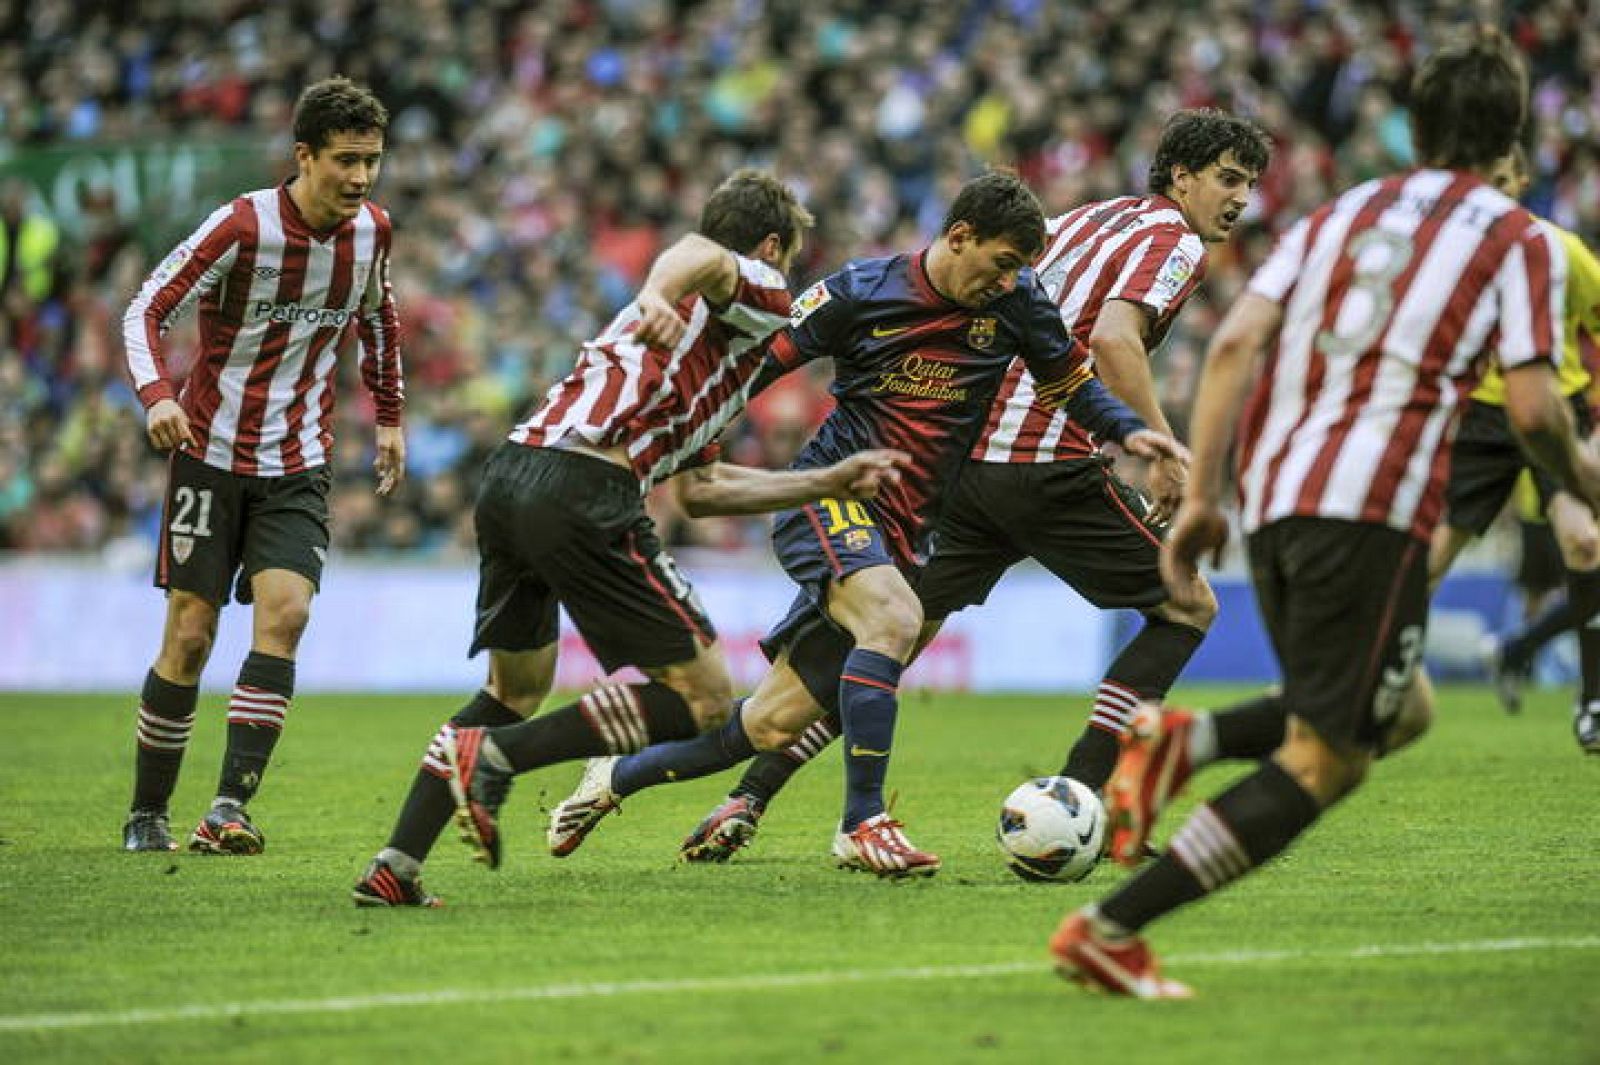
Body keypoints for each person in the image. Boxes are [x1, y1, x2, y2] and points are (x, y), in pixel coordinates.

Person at [1050, 27, 1600, 998]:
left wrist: (1207, 495)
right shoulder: (1518, 236)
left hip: (1275, 493)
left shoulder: (1340, 211)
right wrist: (1584, 483)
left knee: (1407, 706)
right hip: (1370, 508)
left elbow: (1230, 350)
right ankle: (1107, 928)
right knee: (1331, 759)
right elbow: (1530, 407)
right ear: (1510, 136)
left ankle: (1186, 742)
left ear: (1416, 126)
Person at [450, 170, 1185, 880]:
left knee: (768, 723)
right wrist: (695, 449)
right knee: (895, 620)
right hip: (830, 496)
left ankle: (612, 777)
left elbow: (1069, 383)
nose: (1007, 280)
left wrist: (1130, 432)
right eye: (1000, 263)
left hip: (905, 528)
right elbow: (755, 364)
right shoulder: (861, 291)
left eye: (1019, 268)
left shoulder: (1018, 299)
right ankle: (862, 822)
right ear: (959, 236)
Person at [668, 109, 1272, 866]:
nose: (1241, 198)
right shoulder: (1174, 240)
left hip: (965, 464)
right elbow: (1114, 337)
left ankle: (748, 796)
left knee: (889, 639)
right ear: (1179, 176)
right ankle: (1091, 799)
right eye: (1228, 178)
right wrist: (1159, 448)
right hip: (1045, 465)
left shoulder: (1082, 217)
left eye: (1249, 183)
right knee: (1187, 605)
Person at [351, 169, 908, 906]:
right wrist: (654, 291)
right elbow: (699, 255)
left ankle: (397, 863)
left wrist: (827, 480)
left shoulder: (704, 362)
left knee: (513, 687)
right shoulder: (753, 289)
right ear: (772, 245)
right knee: (707, 700)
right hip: (585, 489)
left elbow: (704, 493)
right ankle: (494, 760)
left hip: (513, 477)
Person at [120, 77, 404, 855]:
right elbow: (145, 306)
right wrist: (154, 395)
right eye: (346, 160)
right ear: (303, 154)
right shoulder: (241, 226)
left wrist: (387, 417)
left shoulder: (374, 232)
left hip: (300, 460)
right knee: (191, 635)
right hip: (207, 455)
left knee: (287, 613)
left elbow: (380, 319)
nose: (360, 178)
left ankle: (227, 808)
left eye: (372, 161)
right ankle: (148, 812)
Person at [1425, 143, 1600, 748]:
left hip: (1556, 409)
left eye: (1503, 180)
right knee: (1427, 560)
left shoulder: (1562, 250)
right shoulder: (1453, 258)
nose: (1493, 193)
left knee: (1583, 539)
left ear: (1522, 181)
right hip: (1483, 420)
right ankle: (1369, 688)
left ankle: (1593, 702)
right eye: (1482, 181)